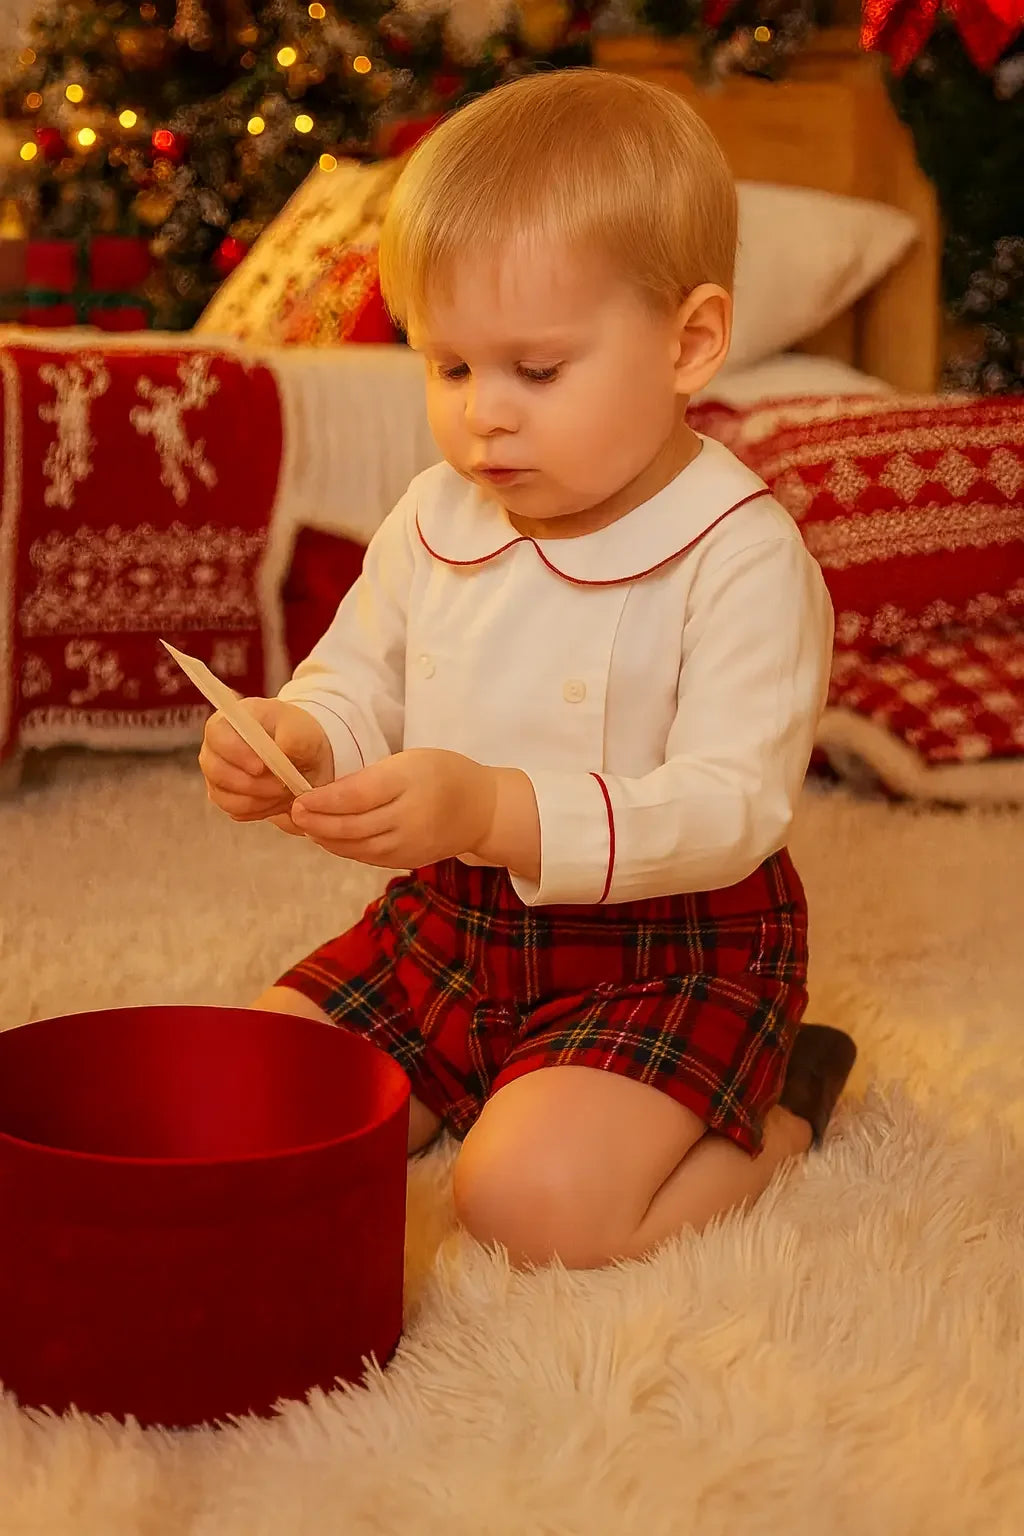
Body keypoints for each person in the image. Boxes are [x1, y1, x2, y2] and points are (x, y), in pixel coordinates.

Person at [199, 68, 856, 1271]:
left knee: (528, 1208)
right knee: (258, 1092)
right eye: (449, 369)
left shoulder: (740, 554)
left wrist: (495, 807)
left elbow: (734, 803)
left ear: (688, 341)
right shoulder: (436, 513)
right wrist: (297, 736)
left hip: (668, 950)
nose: (483, 419)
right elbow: (359, 679)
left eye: (536, 372)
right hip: (444, 925)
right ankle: (478, 1075)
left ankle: (784, 1100)